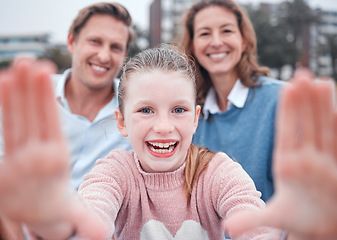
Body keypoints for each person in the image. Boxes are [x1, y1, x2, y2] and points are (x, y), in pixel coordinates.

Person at [0, 44, 336, 240]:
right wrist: (52, 217)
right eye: (146, 110)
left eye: (178, 110)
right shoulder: (115, 172)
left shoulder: (218, 173)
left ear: (195, 119)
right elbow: (91, 211)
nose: (163, 126)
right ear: (121, 121)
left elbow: (255, 223)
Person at [0, 2, 133, 239]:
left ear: (124, 55)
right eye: (95, 41)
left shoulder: (137, 107)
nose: (104, 55)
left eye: (115, 47)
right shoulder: (31, 98)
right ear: (72, 41)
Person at [178, 0, 288, 201]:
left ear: (244, 40)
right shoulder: (188, 112)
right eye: (204, 33)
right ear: (193, 46)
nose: (216, 41)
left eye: (226, 31)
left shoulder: (282, 99)